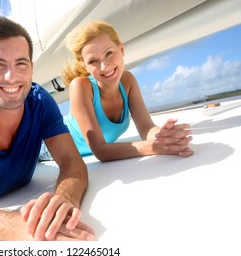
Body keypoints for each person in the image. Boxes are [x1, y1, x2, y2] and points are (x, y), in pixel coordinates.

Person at [0, 16, 95, 241]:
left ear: (31, 68)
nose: (11, 77)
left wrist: (64, 201)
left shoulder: (41, 102)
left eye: (21, 63)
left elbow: (72, 161)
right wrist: (32, 226)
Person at [59, 20, 194, 162]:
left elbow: (146, 127)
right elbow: (100, 150)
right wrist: (154, 147)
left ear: (121, 49)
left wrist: (164, 137)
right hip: (45, 146)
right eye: (93, 61)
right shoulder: (80, 86)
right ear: (84, 65)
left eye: (109, 53)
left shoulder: (128, 81)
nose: (104, 67)